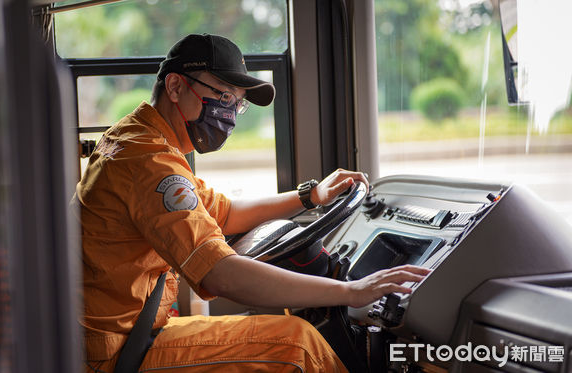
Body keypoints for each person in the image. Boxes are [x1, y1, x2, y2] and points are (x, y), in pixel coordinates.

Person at [77, 33, 430, 373]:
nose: (230, 113)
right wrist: (350, 291)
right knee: (300, 345)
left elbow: (225, 214)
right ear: (175, 87)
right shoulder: (150, 162)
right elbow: (221, 274)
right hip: (113, 353)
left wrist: (310, 196)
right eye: (224, 96)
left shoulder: (138, 137)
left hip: (118, 337)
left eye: (237, 102)